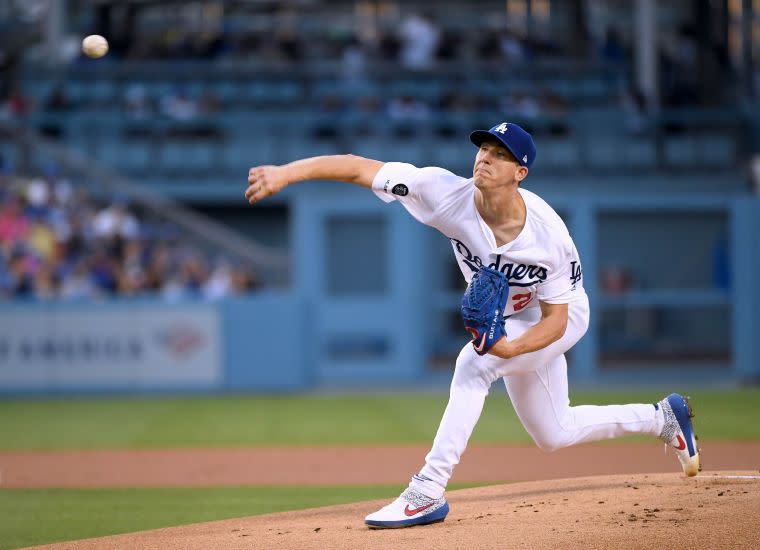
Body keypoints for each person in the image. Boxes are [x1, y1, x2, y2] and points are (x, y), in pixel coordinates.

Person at [244, 121, 701, 529]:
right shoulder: (443, 191)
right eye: (484, 148)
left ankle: (426, 491)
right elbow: (356, 167)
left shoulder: (549, 236)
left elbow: (558, 320)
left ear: (520, 172)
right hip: (513, 318)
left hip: (558, 317)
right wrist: (286, 173)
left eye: (500, 154)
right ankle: (662, 416)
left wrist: (506, 350)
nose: (485, 156)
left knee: (474, 363)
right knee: (553, 433)